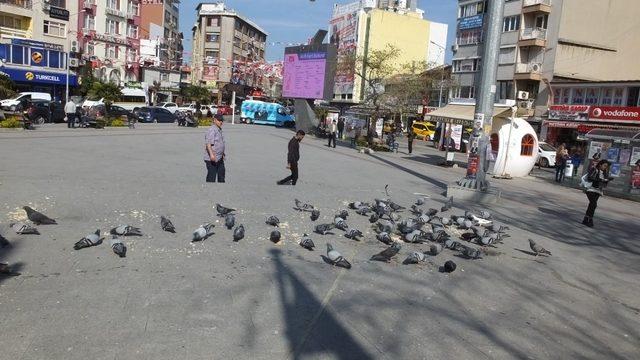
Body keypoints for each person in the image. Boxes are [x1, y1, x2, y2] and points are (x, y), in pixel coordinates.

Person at [582, 159, 612, 227]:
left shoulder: (604, 172)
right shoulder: (594, 169)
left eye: (606, 166)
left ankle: (586, 219)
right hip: (591, 189)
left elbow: (604, 181)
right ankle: (590, 219)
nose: (605, 167)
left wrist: (607, 180)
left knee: (591, 205)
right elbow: (590, 177)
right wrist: (600, 180)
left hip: (598, 190)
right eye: (604, 165)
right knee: (593, 204)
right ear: (600, 164)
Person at [204, 114, 226, 183]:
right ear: (215, 120)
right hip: (212, 159)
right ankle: (209, 191)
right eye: (219, 120)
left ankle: (221, 190)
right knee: (211, 177)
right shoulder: (212, 130)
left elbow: (219, 143)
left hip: (219, 158)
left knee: (221, 174)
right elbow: (208, 144)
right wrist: (211, 155)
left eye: (222, 120)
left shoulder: (219, 129)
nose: (221, 122)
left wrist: (222, 154)